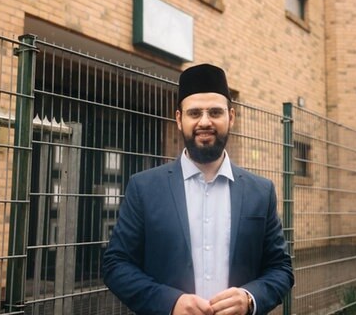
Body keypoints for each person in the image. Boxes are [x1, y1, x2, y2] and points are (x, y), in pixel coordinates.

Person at [102, 64, 294, 315]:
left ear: (231, 117)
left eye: (215, 112)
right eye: (195, 113)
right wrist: (169, 303)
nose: (205, 122)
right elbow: (116, 265)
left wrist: (249, 298)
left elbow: (281, 268)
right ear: (179, 119)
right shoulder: (144, 188)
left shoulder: (261, 191)